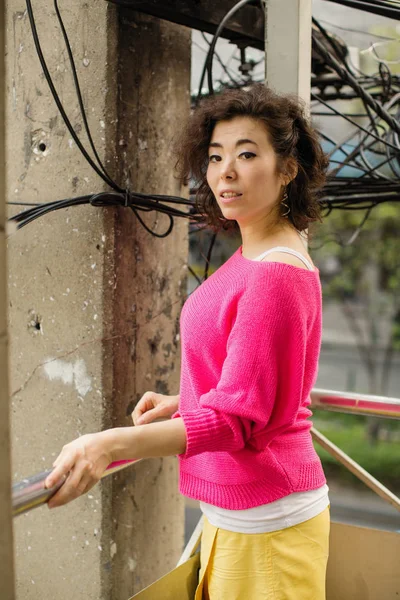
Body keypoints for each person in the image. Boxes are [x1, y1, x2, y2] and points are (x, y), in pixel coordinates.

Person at [45, 84, 330, 599]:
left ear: (288, 168)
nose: (225, 172)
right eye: (216, 156)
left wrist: (106, 445)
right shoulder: (259, 254)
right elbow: (257, 388)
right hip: (246, 511)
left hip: (266, 521)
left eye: (247, 154)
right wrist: (187, 401)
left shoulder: (274, 274)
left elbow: (239, 419)